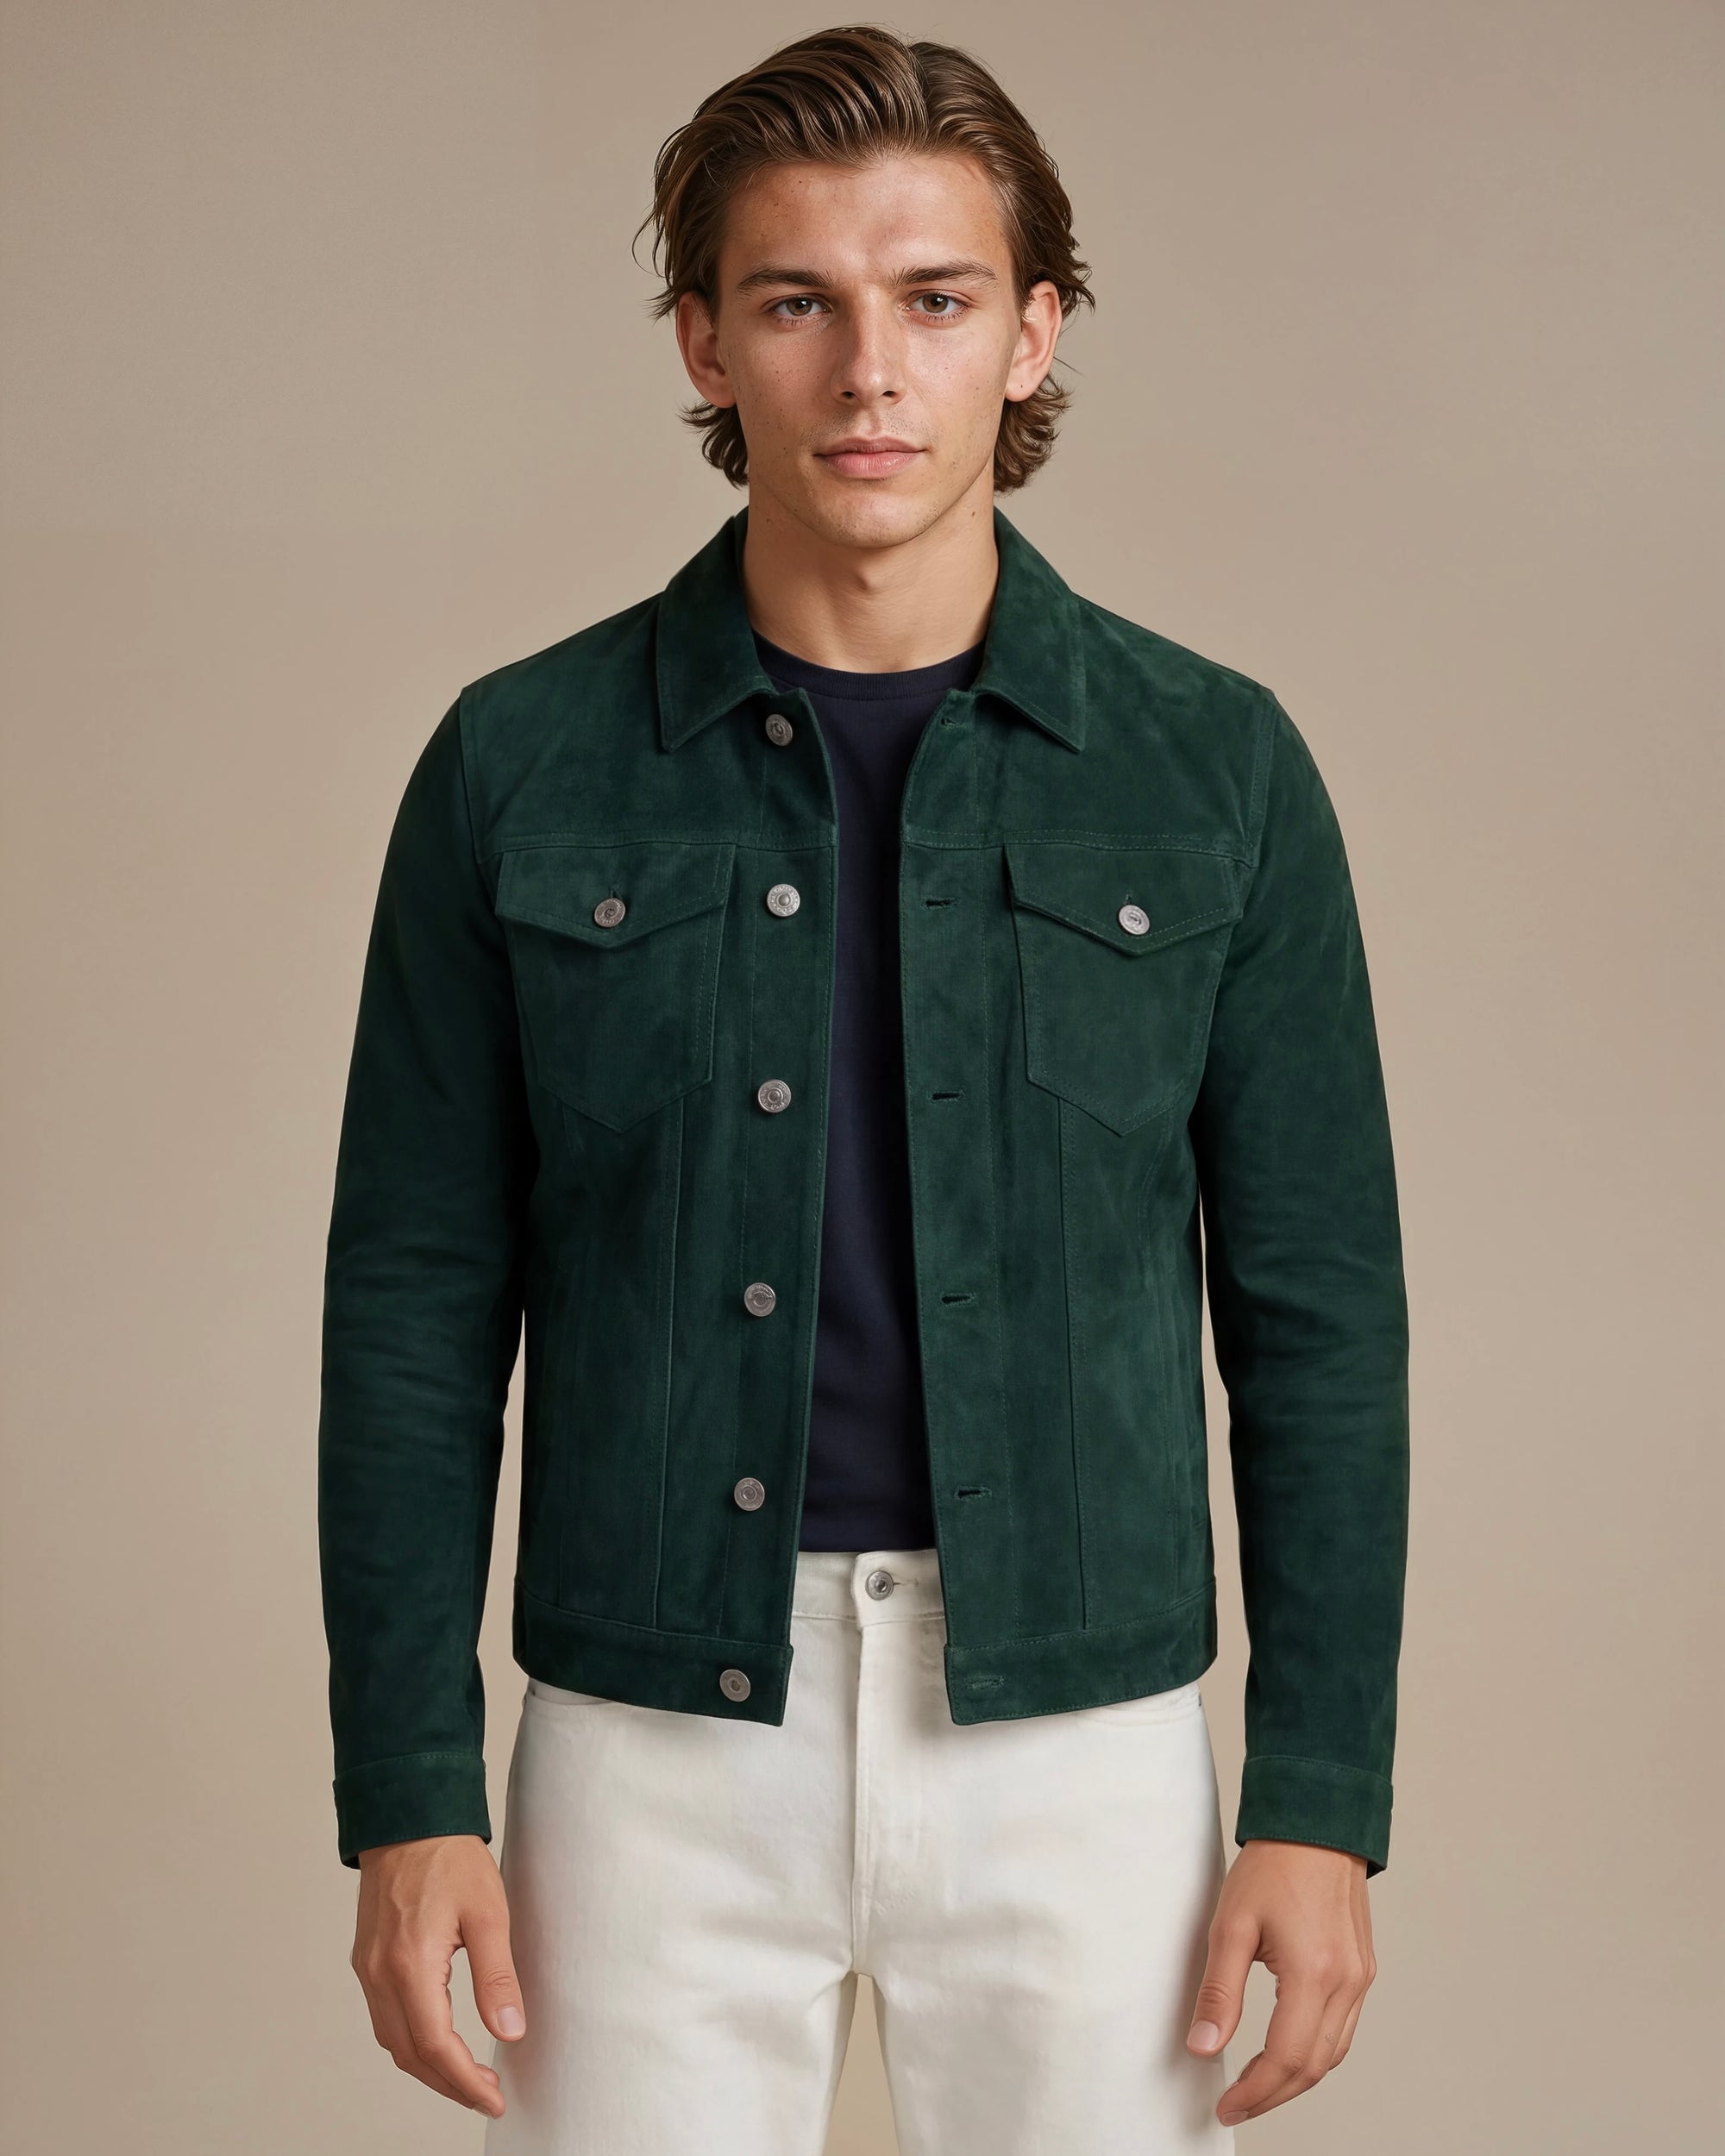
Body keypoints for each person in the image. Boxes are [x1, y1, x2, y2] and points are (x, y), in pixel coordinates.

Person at [317, 25, 1409, 2153]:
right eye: (795, 301)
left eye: (936, 297)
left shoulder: (1215, 768)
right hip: (643, 1738)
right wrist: (408, 1786)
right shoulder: (519, 761)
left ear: (1033, 332)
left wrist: (1319, 1796)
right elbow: (412, 1306)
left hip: (1077, 1739)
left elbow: (1318, 1320)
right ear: (704, 343)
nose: (869, 371)